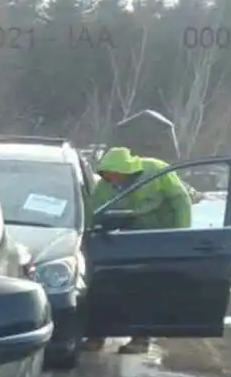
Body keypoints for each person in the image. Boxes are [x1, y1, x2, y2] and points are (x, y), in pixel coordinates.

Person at [83, 146, 194, 353]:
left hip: (161, 240)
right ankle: (97, 335)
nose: (111, 180)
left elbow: (181, 201)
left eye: (114, 175)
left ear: (126, 171)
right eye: (107, 176)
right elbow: (93, 212)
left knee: (147, 290)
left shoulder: (157, 171)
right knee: (108, 289)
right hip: (126, 241)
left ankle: (140, 339)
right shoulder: (104, 188)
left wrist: (180, 237)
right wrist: (89, 234)